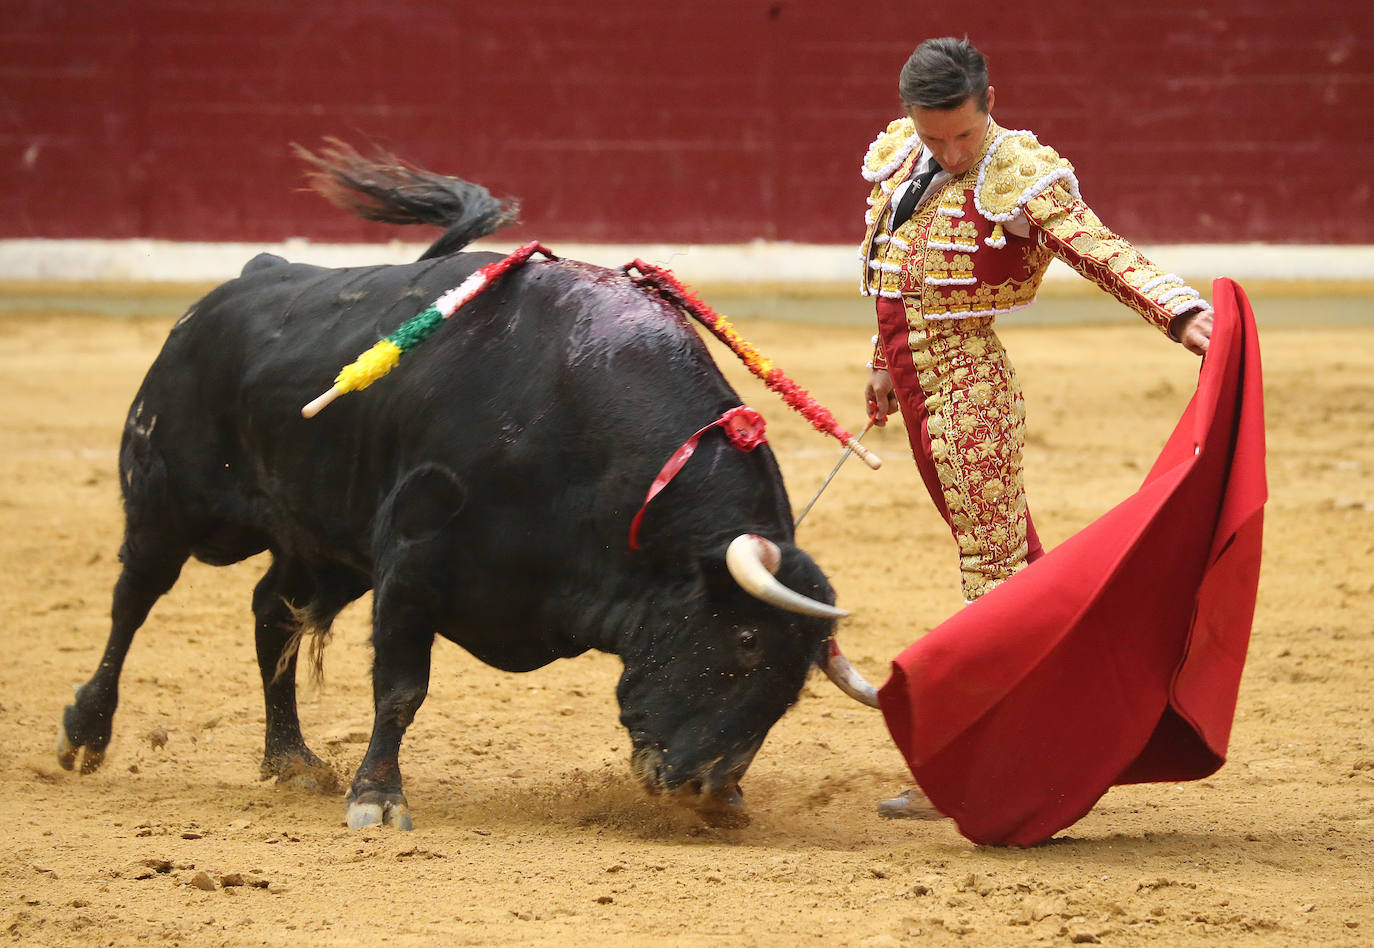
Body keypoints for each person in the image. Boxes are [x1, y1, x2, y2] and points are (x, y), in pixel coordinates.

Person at [859, 37, 1213, 818]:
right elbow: (898, 268)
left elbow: (1097, 247)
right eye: (932, 138)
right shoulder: (908, 157)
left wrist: (1179, 311)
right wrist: (883, 362)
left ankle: (989, 760)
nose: (949, 153)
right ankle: (1049, 731)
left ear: (989, 104)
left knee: (997, 578)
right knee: (1007, 567)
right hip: (921, 386)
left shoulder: (1017, 173)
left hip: (968, 393)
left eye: (961, 135)